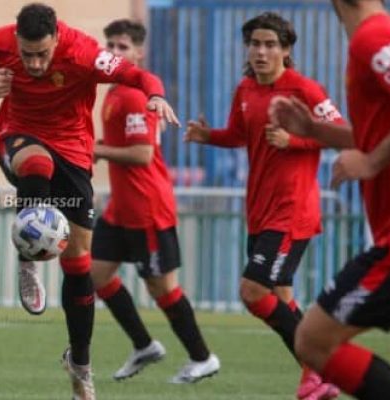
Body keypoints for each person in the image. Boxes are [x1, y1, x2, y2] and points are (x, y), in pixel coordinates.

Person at [0, 3, 179, 399]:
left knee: (79, 264)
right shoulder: (0, 42)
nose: (34, 64)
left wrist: (155, 96)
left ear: (57, 38)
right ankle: (28, 258)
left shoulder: (84, 52)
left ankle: (81, 363)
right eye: (27, 55)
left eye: (42, 54)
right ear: (16, 42)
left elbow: (138, 74)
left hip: (73, 151)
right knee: (36, 164)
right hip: (17, 135)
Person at [184, 12, 344, 400]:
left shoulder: (305, 90)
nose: (261, 51)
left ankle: (324, 367)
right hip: (258, 210)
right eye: (255, 43)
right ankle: (317, 377)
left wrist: (296, 141)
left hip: (291, 212)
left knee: (253, 291)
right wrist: (209, 137)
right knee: (283, 299)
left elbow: (341, 134)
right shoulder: (246, 90)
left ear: (286, 50)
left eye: (271, 44)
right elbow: (240, 135)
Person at [269, 0, 390, 398]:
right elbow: (379, 129)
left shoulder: (373, 37)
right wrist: (314, 129)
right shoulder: (383, 36)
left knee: (314, 341)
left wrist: (373, 162)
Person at [91, 18, 220, 385]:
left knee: (162, 289)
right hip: (121, 208)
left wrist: (97, 150)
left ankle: (202, 357)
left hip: (148, 207)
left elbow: (143, 154)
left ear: (139, 53)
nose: (114, 52)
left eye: (122, 47)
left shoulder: (134, 95)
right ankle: (144, 345)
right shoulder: (115, 91)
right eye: (110, 46)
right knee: (96, 274)